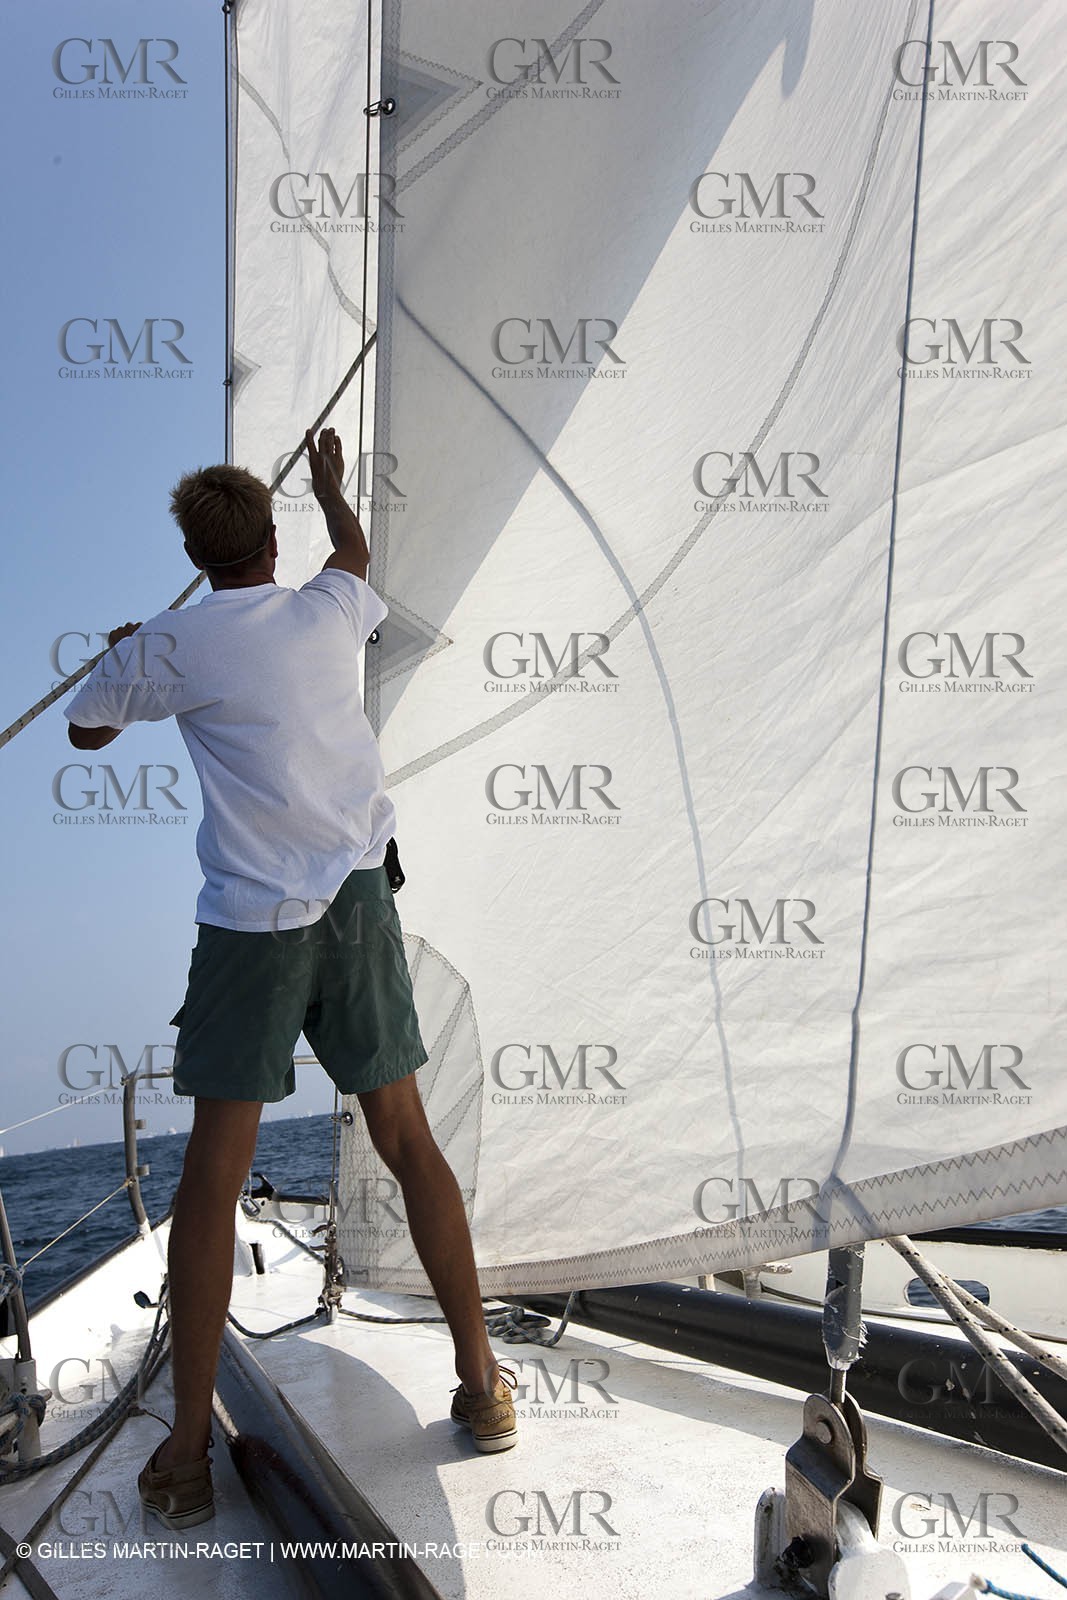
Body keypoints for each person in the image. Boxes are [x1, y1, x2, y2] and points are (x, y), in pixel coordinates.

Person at [64, 427, 517, 1531]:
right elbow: (354, 553)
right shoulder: (326, 607)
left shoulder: (169, 645)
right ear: (270, 541)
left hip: (250, 931)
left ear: (195, 552)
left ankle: (183, 1451)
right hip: (359, 908)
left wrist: (132, 648)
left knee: (212, 1180)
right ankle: (481, 1381)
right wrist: (330, 488)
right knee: (407, 1140)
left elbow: (83, 727)